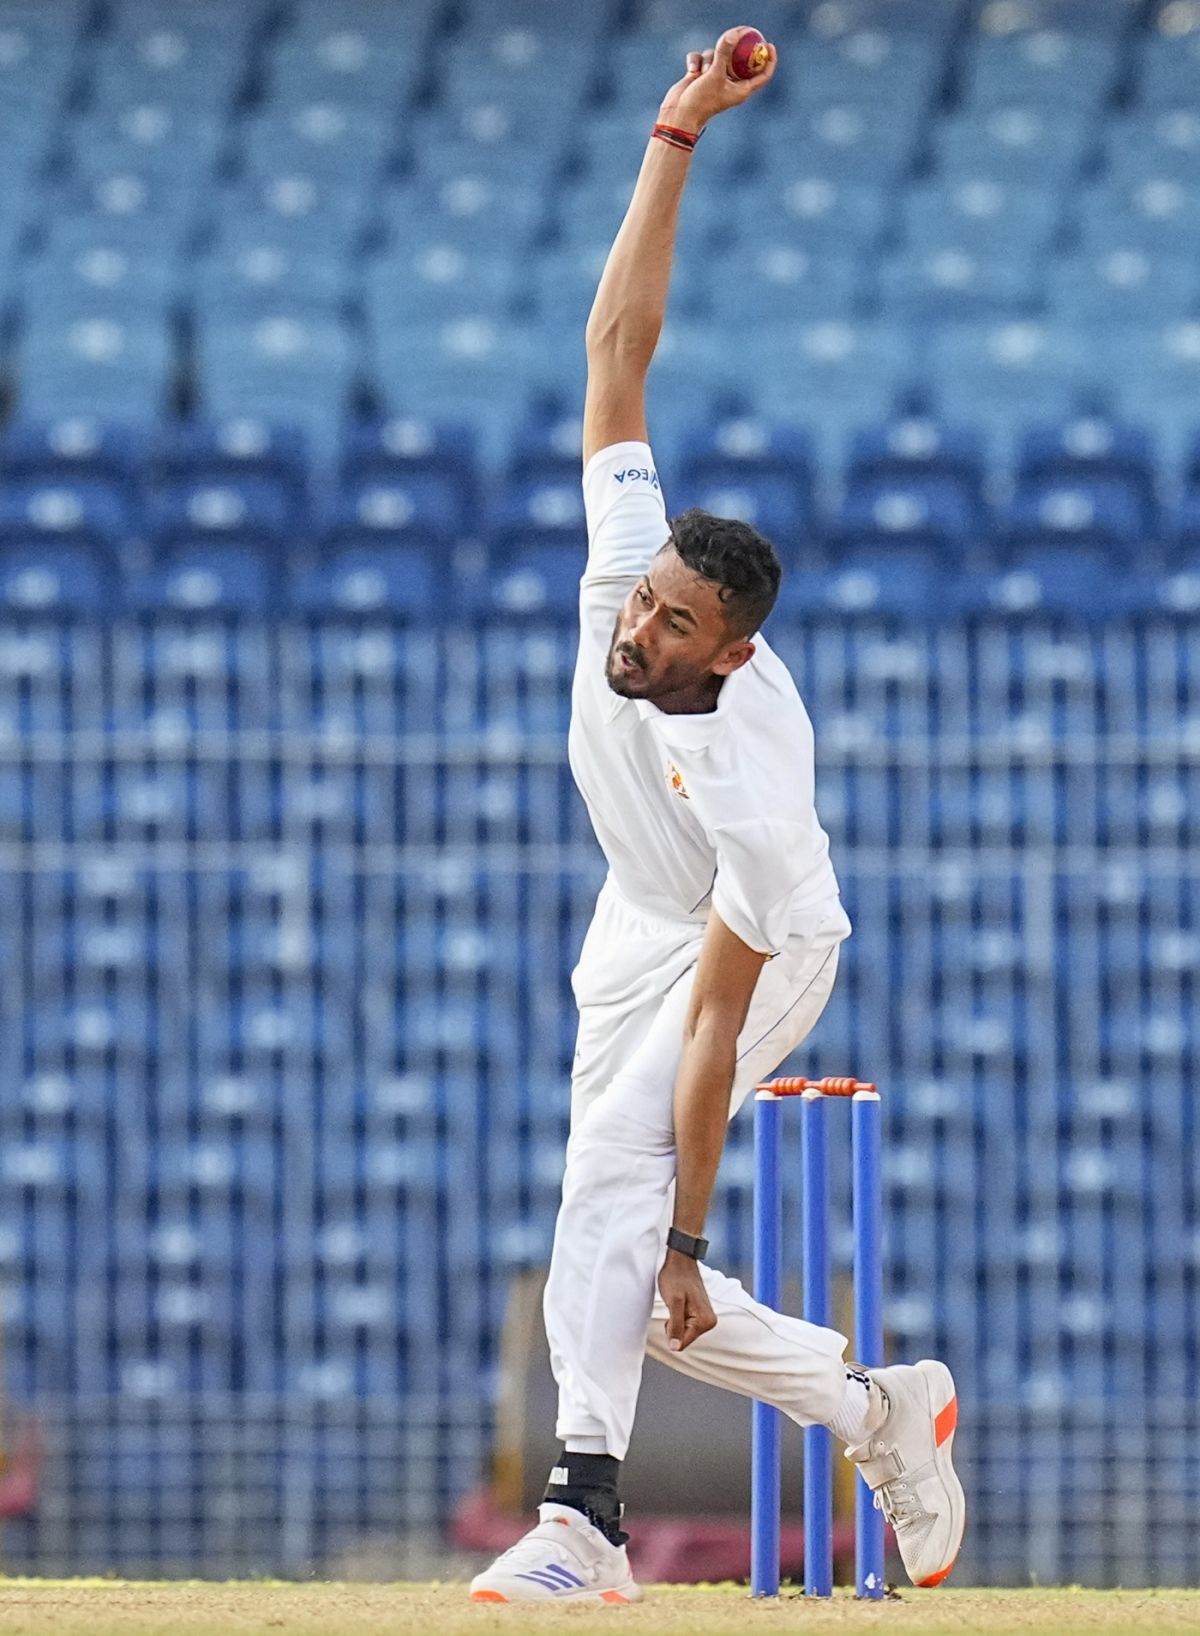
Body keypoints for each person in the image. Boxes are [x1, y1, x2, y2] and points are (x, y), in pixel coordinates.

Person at [469, 28, 964, 1606]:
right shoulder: (630, 570)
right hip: (635, 909)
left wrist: (689, 1231)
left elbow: (714, 1032)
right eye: (650, 602)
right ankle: (870, 1404)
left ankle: (584, 1521)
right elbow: (621, 346)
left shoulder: (756, 772)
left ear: (732, 651)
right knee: (600, 1219)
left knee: (624, 1194)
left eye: (677, 627)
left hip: (760, 940)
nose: (640, 634)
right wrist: (674, 135)